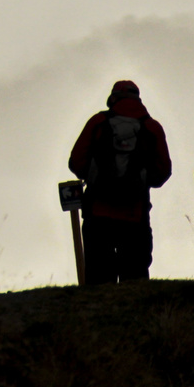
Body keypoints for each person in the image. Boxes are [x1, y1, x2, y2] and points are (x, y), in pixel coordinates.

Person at [67, 79, 172, 284]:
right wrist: (142, 181)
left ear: (113, 98)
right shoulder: (151, 127)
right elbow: (163, 172)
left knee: (99, 275)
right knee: (134, 275)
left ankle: (98, 314)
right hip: (135, 213)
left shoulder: (98, 122)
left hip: (98, 213)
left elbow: (76, 162)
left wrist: (92, 176)